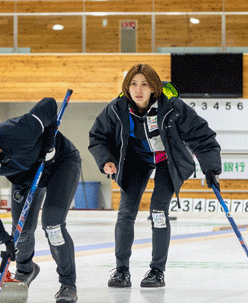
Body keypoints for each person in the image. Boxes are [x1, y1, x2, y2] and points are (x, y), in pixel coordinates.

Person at [88, 63, 222, 288]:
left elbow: (203, 137)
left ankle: (156, 271)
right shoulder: (117, 108)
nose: (138, 89)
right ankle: (121, 270)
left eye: (144, 84)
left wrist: (211, 168)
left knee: (158, 210)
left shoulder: (173, 107)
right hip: (135, 160)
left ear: (154, 88)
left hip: (166, 160)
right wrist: (107, 160)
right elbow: (98, 137)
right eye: (133, 84)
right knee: (125, 213)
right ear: (127, 87)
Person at [0, 98, 81, 303]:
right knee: (20, 233)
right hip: (26, 178)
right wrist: (2, 239)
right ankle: (26, 270)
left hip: (60, 163)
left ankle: (67, 284)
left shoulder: (20, 132)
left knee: (52, 225)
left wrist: (49, 139)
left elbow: (49, 104)